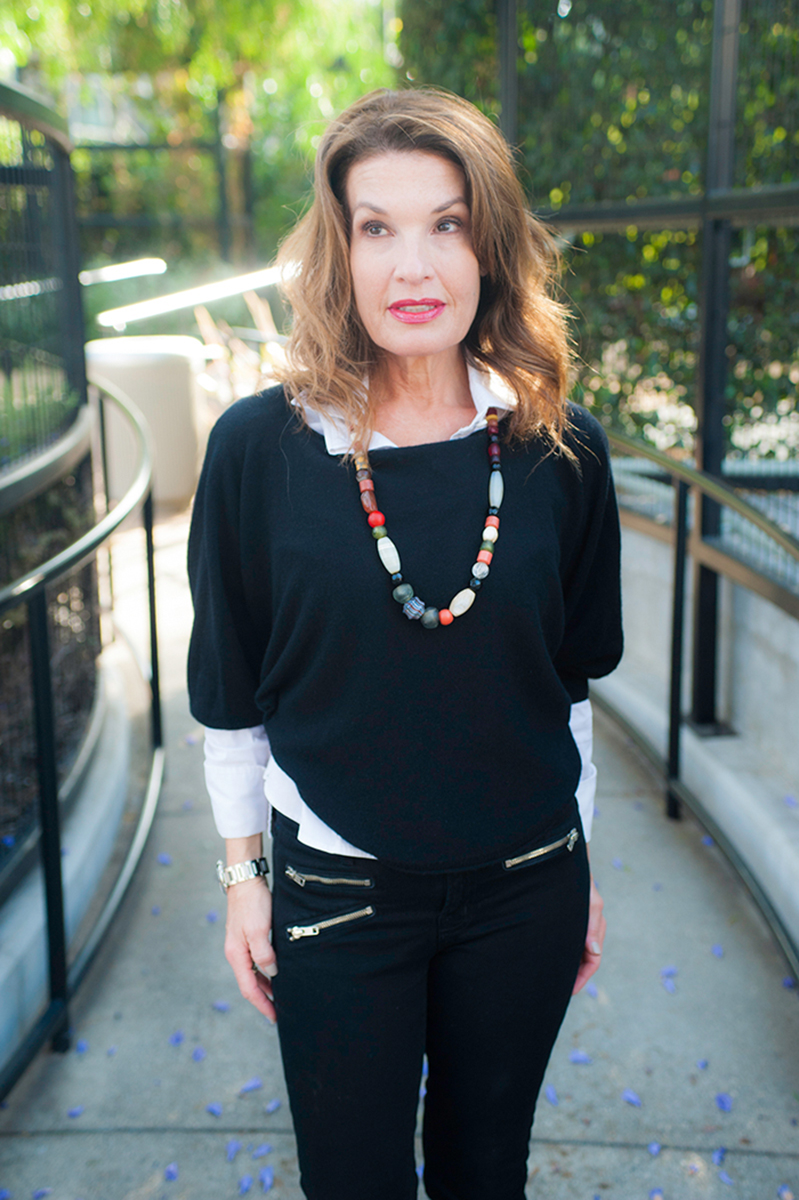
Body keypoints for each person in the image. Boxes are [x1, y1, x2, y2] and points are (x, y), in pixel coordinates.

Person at [188, 87, 622, 1200]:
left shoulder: (560, 450)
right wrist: (245, 878)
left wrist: (582, 867)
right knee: (353, 1182)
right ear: (338, 249)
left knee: (487, 1175)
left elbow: (566, 688)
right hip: (335, 894)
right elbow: (232, 695)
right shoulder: (256, 450)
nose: (412, 266)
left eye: (447, 222)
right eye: (375, 226)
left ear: (492, 245)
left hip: (526, 884)